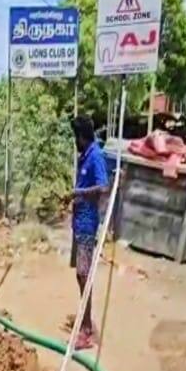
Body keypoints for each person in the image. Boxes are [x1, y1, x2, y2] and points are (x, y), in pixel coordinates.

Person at [68, 116, 109, 350]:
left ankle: (86, 330)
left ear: (82, 137)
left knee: (84, 275)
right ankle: (84, 320)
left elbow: (103, 187)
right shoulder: (85, 155)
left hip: (87, 225)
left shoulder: (95, 156)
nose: (75, 141)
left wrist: (79, 192)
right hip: (78, 223)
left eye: (76, 137)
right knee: (80, 275)